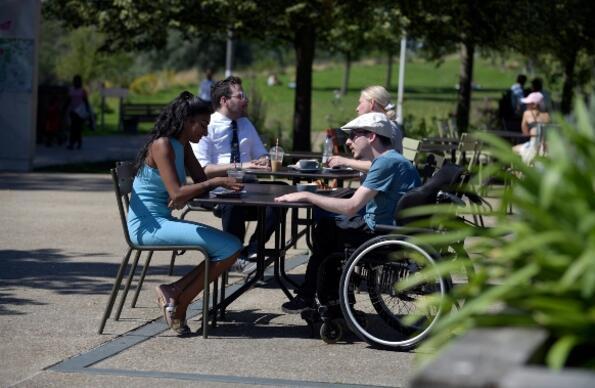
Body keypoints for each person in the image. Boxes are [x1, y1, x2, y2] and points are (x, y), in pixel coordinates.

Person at [275, 112, 421, 313]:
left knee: (327, 228)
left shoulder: (386, 163)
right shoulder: (393, 160)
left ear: (371, 136)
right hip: (392, 228)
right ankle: (331, 300)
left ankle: (313, 297)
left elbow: (352, 205)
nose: (349, 141)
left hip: (384, 234)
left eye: (353, 135)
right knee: (330, 225)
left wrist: (308, 197)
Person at [127, 91, 243, 336]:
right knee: (230, 247)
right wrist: (214, 183)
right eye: (202, 125)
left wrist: (224, 181)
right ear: (186, 122)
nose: (205, 132)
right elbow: (179, 193)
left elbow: (199, 180)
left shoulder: (182, 146)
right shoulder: (162, 145)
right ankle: (180, 304)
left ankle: (175, 291)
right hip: (148, 226)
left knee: (228, 246)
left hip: (163, 220)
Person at [192, 75, 275, 272]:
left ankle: (254, 248)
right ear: (224, 100)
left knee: (284, 195)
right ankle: (234, 255)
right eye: (240, 96)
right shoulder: (207, 126)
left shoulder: (246, 124)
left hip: (249, 184)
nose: (245, 100)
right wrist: (242, 166)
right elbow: (203, 170)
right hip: (216, 186)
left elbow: (261, 154)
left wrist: (264, 160)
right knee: (233, 196)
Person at [327, 85, 403, 172]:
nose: (357, 108)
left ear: (372, 103)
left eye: (360, 103)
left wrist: (346, 162)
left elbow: (384, 165)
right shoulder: (385, 126)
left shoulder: (388, 128)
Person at [512, 92, 551, 164]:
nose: (526, 104)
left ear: (534, 104)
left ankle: (518, 173)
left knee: (513, 149)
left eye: (528, 103)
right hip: (546, 147)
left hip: (533, 147)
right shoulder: (547, 115)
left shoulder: (527, 113)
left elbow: (525, 133)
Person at [66, 75, 93, 150]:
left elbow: (86, 101)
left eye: (78, 81)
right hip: (73, 111)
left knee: (78, 128)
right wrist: (64, 109)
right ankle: (72, 143)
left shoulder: (83, 91)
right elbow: (68, 100)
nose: (76, 82)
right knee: (73, 128)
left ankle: (78, 142)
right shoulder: (71, 90)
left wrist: (88, 112)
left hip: (80, 112)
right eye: (75, 81)